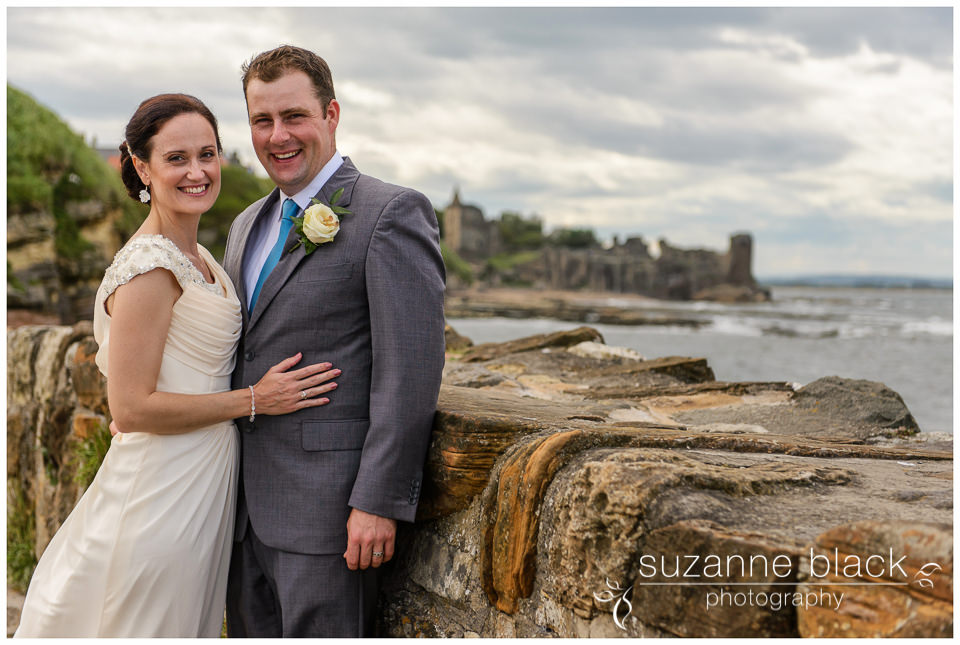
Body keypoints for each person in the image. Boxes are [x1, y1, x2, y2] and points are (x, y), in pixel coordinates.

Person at [14, 94, 339, 638]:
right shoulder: (149, 266)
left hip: (203, 481)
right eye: (176, 158)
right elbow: (132, 406)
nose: (198, 172)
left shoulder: (200, 256)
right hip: (160, 493)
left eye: (207, 154)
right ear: (141, 167)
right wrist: (256, 399)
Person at [222, 45, 445, 637]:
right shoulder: (247, 223)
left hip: (329, 516)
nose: (278, 136)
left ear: (332, 115)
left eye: (294, 116)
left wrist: (379, 501)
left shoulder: (389, 213)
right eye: (262, 121)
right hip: (237, 513)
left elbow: (411, 371)